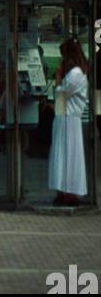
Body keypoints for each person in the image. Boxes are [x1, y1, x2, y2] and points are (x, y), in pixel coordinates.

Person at [48, 37, 89, 206]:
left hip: (69, 120)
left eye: (63, 56)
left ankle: (68, 192)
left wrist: (58, 78)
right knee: (63, 155)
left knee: (67, 155)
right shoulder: (75, 73)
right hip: (65, 119)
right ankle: (63, 191)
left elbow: (61, 95)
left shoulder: (76, 74)